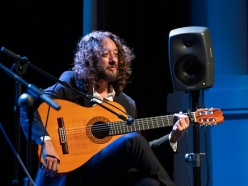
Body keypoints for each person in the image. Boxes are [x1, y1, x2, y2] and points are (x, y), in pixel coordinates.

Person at [20, 30, 190, 186]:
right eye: (105, 54)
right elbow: (30, 107)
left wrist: (172, 138)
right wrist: (46, 141)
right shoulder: (71, 84)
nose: (113, 60)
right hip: (72, 173)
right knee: (133, 140)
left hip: (108, 177)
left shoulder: (125, 103)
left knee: (149, 183)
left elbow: (141, 152)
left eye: (116, 54)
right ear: (90, 60)